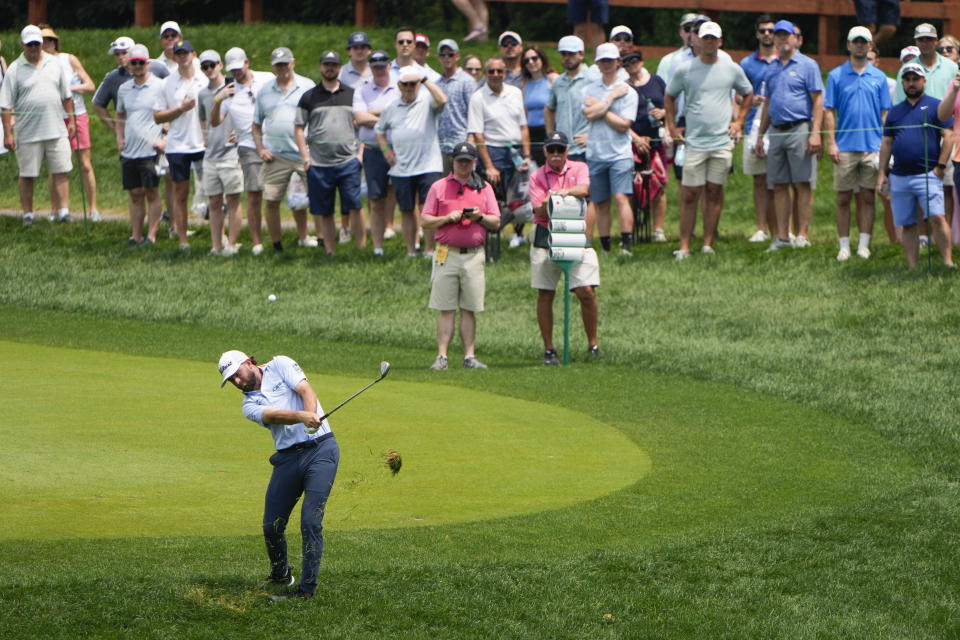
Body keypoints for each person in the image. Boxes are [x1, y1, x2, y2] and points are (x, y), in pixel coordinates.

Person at [218, 349, 339, 601]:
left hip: (321, 450)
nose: (237, 382)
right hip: (287, 459)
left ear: (249, 362)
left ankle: (306, 591)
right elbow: (273, 416)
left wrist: (311, 417)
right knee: (271, 526)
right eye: (232, 381)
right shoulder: (248, 404)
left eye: (237, 374)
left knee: (310, 521)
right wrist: (302, 417)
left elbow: (306, 391)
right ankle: (281, 574)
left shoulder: (280, 364)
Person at [665, 21, 752, 259]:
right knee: (689, 193)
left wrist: (739, 122)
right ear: (697, 41)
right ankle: (684, 246)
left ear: (720, 41)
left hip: (721, 143)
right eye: (705, 38)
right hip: (693, 143)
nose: (709, 42)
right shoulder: (685, 69)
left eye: (714, 38)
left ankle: (707, 243)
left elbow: (748, 92)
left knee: (714, 191)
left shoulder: (731, 68)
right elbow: (669, 96)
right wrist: (671, 127)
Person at [420, 142, 500, 370]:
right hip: (448, 253)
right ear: (453, 162)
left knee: (469, 307)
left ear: (474, 162)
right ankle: (442, 356)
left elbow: (495, 221)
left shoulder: (483, 188)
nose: (464, 165)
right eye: (460, 161)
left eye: (468, 161)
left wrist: (479, 217)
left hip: (474, 255)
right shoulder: (439, 187)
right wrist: (447, 218)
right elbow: (425, 221)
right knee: (446, 307)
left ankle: (469, 356)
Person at [527, 131, 599, 364]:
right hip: (546, 233)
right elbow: (538, 209)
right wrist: (550, 201)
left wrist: (561, 193)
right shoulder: (537, 176)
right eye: (552, 150)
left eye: (560, 149)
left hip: (574, 231)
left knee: (585, 291)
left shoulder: (578, 168)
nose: (556, 154)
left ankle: (593, 344)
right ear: (545, 151)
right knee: (546, 292)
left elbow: (584, 189)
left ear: (567, 151)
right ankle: (549, 349)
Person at [824, 27, 892, 261]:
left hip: (872, 147)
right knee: (843, 198)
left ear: (871, 46)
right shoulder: (835, 75)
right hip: (844, 146)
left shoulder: (879, 77)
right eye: (857, 42)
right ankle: (844, 246)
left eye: (865, 42)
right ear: (849, 45)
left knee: (867, 197)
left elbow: (885, 114)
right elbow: (829, 111)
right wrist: (831, 143)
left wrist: (886, 146)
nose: (861, 45)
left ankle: (864, 245)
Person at [755, 20, 823, 251]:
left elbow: (818, 101)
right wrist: (759, 136)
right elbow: (768, 104)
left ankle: (802, 235)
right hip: (776, 131)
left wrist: (816, 133)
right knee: (779, 184)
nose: (783, 39)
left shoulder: (808, 65)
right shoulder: (771, 68)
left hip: (800, 128)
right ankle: (783, 237)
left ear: (796, 38)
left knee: (803, 183)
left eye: (787, 35)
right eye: (779, 35)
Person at [878, 63, 954, 267]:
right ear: (902, 82)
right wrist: (882, 174)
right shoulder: (895, 112)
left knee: (937, 217)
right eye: (907, 79)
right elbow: (886, 143)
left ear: (924, 81)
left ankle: (947, 262)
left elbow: (948, 137)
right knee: (908, 223)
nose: (911, 83)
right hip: (899, 176)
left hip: (927, 174)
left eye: (915, 79)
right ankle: (913, 266)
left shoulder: (936, 106)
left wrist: (940, 166)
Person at [0, 25, 75, 226]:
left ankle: (64, 212)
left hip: (56, 128)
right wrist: (8, 134)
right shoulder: (15, 69)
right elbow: (5, 105)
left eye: (37, 43)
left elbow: (66, 96)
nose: (34, 47)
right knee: (27, 174)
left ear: (42, 43)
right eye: (30, 44)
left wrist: (72, 121)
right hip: (27, 131)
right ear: (23, 44)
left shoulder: (54, 63)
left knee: (61, 170)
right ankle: (28, 215)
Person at [295, 50, 366, 256]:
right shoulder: (309, 97)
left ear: (339, 68)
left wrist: (360, 154)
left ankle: (361, 250)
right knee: (325, 211)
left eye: (334, 65)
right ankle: (330, 252)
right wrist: (305, 157)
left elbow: (362, 124)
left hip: (348, 161)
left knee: (355, 206)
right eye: (326, 64)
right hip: (319, 163)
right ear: (320, 67)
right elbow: (299, 127)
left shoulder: (352, 94)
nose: (330, 68)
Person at [894, 23, 959, 245]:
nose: (925, 43)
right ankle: (923, 237)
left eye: (929, 39)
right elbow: (899, 106)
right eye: (921, 39)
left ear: (935, 40)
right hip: (919, 135)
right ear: (916, 41)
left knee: (947, 187)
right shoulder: (908, 68)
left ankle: (945, 235)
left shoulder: (950, 67)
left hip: (948, 133)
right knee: (922, 186)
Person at [376, 66, 448, 257]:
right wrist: (385, 150)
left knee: (428, 210)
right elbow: (379, 129)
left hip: (428, 165)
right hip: (401, 168)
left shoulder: (427, 100)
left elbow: (442, 99)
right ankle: (410, 251)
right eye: (406, 84)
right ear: (399, 86)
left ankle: (429, 250)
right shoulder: (392, 107)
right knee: (407, 210)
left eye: (413, 84)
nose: (409, 87)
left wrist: (423, 79)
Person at [253, 46, 317, 252]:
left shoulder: (308, 86)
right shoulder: (264, 91)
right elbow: (256, 124)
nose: (283, 68)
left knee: (317, 199)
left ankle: (324, 242)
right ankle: (277, 245)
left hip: (303, 154)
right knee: (271, 200)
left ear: (293, 63)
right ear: (272, 66)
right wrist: (261, 148)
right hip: (275, 155)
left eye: (286, 63)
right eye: (278, 65)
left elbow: (317, 119)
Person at [212, 47, 275, 256]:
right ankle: (257, 242)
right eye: (233, 70)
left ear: (247, 63)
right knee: (254, 193)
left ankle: (280, 239)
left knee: (274, 195)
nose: (237, 73)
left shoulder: (267, 78)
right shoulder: (228, 91)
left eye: (239, 68)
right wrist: (218, 100)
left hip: (274, 142)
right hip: (248, 146)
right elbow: (214, 122)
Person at [467, 56, 531, 249]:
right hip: (493, 151)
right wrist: (489, 166)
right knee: (495, 199)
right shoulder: (478, 98)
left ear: (505, 73)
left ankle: (518, 235)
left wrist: (527, 155)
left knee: (519, 197)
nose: (495, 75)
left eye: (499, 71)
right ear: (485, 73)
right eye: (491, 71)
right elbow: (478, 135)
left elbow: (523, 126)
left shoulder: (515, 93)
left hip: (516, 152)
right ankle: (489, 238)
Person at [582, 42, 637, 255]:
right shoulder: (590, 89)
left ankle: (626, 244)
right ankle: (605, 247)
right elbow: (588, 114)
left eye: (610, 61)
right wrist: (611, 98)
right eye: (602, 61)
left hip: (620, 153)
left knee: (621, 197)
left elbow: (624, 125)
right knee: (600, 201)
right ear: (597, 63)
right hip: (595, 153)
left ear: (618, 63)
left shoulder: (628, 91)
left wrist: (601, 107)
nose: (607, 64)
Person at [38, 25, 98, 221]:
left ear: (55, 42)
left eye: (50, 40)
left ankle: (93, 209)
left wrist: (68, 88)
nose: (47, 44)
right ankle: (56, 209)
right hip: (53, 117)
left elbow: (90, 85)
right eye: (43, 40)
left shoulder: (68, 59)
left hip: (77, 114)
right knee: (56, 166)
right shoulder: (38, 63)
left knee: (85, 164)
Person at [153, 39, 206, 250]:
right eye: (179, 54)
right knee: (180, 194)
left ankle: (219, 237)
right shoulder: (167, 83)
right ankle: (183, 239)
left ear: (194, 55)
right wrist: (180, 109)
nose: (183, 57)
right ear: (174, 58)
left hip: (203, 144)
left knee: (213, 193)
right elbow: (157, 117)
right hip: (177, 146)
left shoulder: (205, 78)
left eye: (186, 53)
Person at [115, 44, 165, 245]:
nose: (137, 66)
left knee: (151, 192)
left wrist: (165, 139)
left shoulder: (160, 86)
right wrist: (119, 137)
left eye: (141, 63)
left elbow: (170, 113)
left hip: (150, 150)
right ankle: (135, 235)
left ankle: (151, 235)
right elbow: (120, 114)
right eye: (134, 63)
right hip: (129, 151)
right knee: (135, 194)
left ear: (148, 64)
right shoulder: (123, 89)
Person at [353, 49, 399, 257]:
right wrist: (389, 115)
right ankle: (378, 248)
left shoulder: (400, 85)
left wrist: (373, 112)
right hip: (373, 151)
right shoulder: (362, 90)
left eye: (383, 66)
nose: (379, 70)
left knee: (407, 197)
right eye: (375, 67)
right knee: (376, 199)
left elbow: (404, 112)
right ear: (371, 68)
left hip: (399, 150)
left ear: (389, 66)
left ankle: (413, 244)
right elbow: (360, 119)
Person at [197, 49, 242, 256]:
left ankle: (232, 244)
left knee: (233, 200)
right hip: (211, 155)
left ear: (220, 65)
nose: (209, 70)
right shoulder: (203, 94)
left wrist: (241, 133)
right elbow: (204, 120)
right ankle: (216, 246)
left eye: (212, 65)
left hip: (231, 154)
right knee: (214, 202)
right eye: (204, 67)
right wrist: (206, 138)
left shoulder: (235, 87)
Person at [740, 14, 779, 244]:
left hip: (779, 124)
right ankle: (762, 228)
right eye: (763, 30)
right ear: (757, 34)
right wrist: (751, 99)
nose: (767, 34)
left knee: (781, 179)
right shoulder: (746, 64)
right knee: (759, 178)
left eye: (770, 30)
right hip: (753, 123)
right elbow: (737, 95)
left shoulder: (783, 60)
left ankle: (783, 229)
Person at [623, 47, 668, 243]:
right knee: (633, 187)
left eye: (634, 60)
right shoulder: (622, 87)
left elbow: (671, 104)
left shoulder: (657, 81)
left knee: (659, 184)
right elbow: (620, 117)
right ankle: (630, 230)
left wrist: (664, 113)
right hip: (632, 142)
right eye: (626, 62)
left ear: (641, 61)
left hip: (656, 141)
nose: (631, 65)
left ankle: (658, 230)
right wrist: (636, 138)